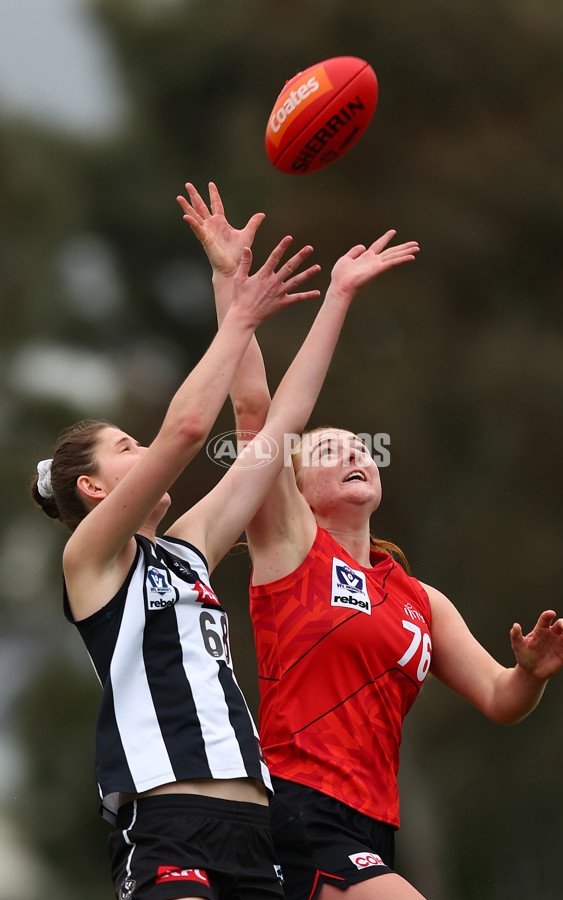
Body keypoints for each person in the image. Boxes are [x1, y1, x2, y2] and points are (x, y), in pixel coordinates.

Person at [179, 183, 563, 900]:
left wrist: (531, 674)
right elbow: (254, 406)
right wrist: (231, 280)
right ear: (295, 490)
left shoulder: (418, 598)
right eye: (331, 451)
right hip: (298, 810)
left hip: (374, 823)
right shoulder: (289, 548)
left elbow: (497, 696)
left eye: (362, 448)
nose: (357, 454)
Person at [32, 187, 419, 900]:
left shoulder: (188, 548)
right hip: (165, 819)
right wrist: (237, 315)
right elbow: (184, 432)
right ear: (92, 491)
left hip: (251, 827)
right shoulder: (90, 560)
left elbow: (280, 422)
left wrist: (331, 294)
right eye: (125, 448)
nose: (143, 449)